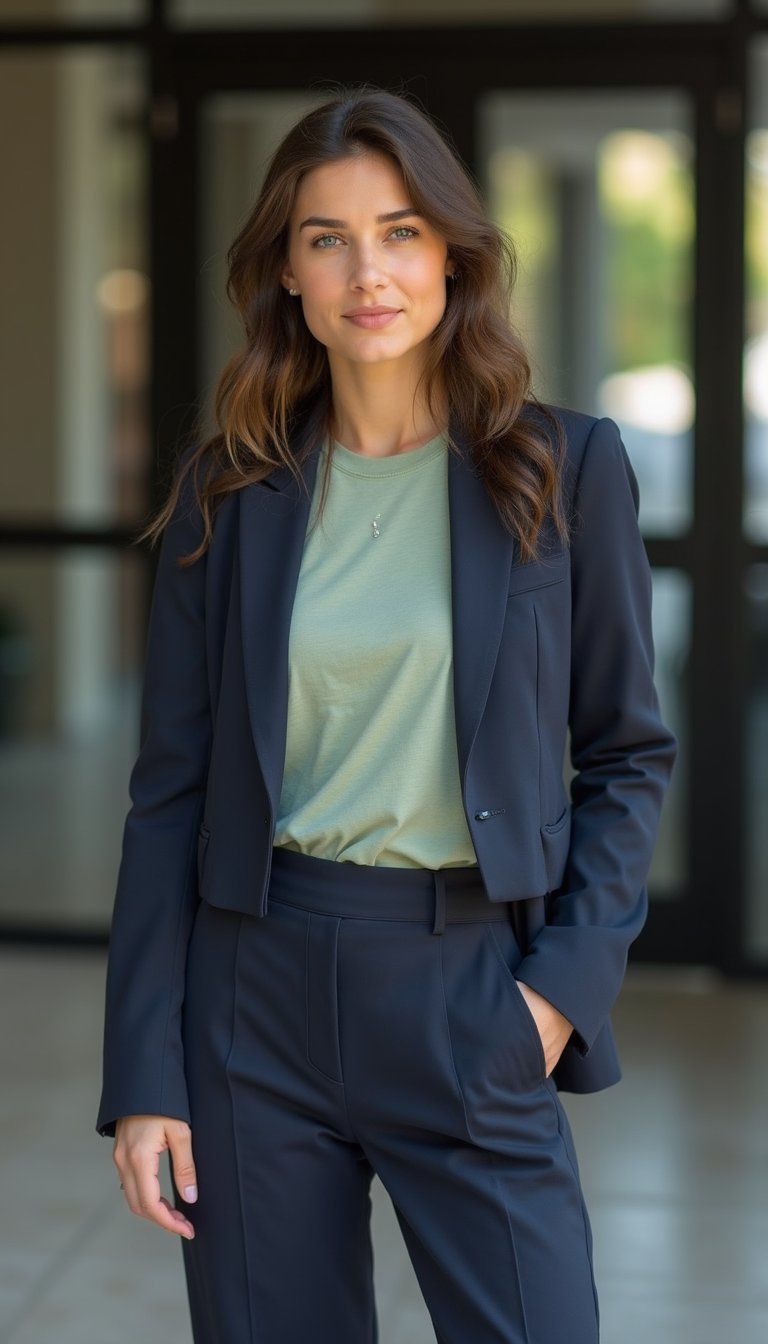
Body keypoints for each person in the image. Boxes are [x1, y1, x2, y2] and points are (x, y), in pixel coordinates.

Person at [95, 84, 678, 1344]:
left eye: (402, 230)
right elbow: (170, 796)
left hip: (469, 985)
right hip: (256, 993)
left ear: (454, 257)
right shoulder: (229, 492)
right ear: (286, 274)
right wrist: (147, 1073)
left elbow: (629, 754)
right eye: (329, 238)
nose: (370, 270)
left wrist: (555, 996)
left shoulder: (562, 468)